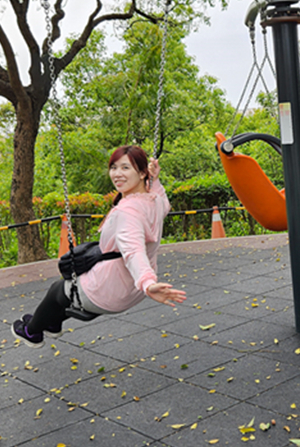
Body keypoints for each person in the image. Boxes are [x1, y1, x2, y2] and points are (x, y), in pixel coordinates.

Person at [12, 145, 186, 348]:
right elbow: (164, 202)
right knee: (65, 294)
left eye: (125, 168)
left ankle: (31, 333)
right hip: (132, 291)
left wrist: (147, 283)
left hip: (110, 290)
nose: (117, 174)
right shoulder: (154, 201)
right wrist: (154, 179)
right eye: (113, 167)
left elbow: (133, 251)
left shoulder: (128, 211)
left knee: (58, 290)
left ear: (140, 173)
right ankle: (51, 324)